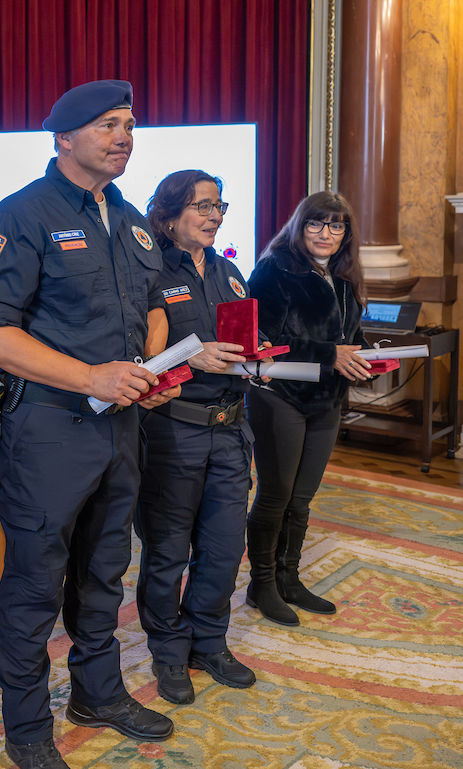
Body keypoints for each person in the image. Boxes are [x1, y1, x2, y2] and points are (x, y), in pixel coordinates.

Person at [0, 79, 181, 769]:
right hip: (49, 430)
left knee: (103, 573)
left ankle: (97, 694)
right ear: (63, 138)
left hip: (121, 429)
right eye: (108, 125)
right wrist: (91, 378)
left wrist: (147, 368)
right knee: (35, 584)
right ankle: (27, 728)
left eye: (130, 125)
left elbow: (154, 305)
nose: (124, 137)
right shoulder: (19, 215)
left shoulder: (133, 220)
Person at [136, 170, 259, 705]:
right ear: (168, 216)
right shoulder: (149, 271)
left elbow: (241, 340)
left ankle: (208, 642)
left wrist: (258, 355)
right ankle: (168, 650)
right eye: (202, 206)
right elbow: (138, 359)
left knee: (225, 547)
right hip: (173, 430)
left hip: (230, 429)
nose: (214, 216)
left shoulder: (230, 272)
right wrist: (194, 352)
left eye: (219, 206)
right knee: (166, 551)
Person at [246, 191, 370, 626]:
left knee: (302, 498)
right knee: (275, 494)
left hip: (326, 399)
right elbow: (263, 341)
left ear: (345, 233)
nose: (325, 233)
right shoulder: (274, 268)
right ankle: (261, 585)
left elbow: (349, 336)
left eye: (336, 225)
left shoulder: (343, 275)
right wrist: (330, 354)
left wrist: (366, 358)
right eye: (316, 223)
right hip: (280, 395)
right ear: (300, 226)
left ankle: (289, 579)